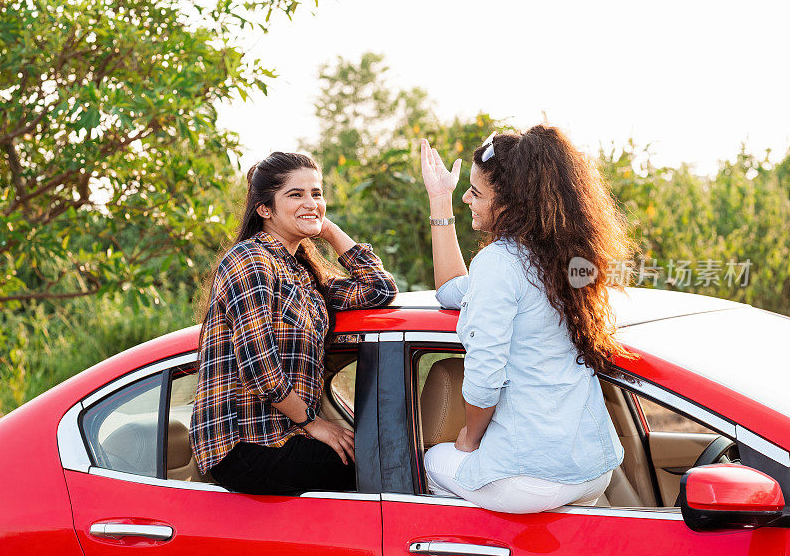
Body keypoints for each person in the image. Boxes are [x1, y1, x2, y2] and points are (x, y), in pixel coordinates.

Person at [420, 126, 636, 513]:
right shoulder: (565, 261)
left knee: (433, 463)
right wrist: (440, 199)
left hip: (532, 477)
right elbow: (453, 289)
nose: (466, 197)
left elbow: (484, 380)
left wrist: (468, 440)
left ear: (512, 204)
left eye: (476, 192)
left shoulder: (499, 264)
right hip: (592, 469)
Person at [190, 152, 397, 495]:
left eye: (316, 194)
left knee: (384, 463)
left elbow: (379, 289)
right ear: (264, 209)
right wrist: (314, 424)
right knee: (383, 472)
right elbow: (260, 368)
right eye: (296, 194)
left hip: (286, 437)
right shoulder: (249, 260)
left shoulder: (303, 273)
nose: (311, 202)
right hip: (244, 445)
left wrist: (326, 228)